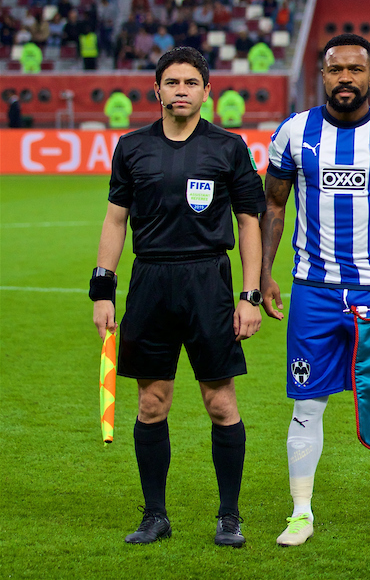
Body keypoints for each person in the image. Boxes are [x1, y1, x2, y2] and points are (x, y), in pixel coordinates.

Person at [90, 46, 266, 547]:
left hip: (209, 283)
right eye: (173, 82)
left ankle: (229, 516)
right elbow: (115, 220)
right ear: (157, 90)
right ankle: (155, 515)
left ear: (207, 91)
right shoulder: (131, 147)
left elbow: (249, 223)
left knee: (220, 402)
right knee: (151, 402)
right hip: (150, 282)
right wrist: (103, 289)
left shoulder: (229, 147)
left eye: (191, 82)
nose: (181, 90)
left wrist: (249, 295)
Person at [261, 34, 370, 547]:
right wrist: (264, 274)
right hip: (312, 290)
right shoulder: (294, 131)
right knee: (306, 402)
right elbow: (273, 205)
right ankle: (300, 514)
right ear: (323, 74)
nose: (346, 79)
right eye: (336, 70)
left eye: (356, 70)